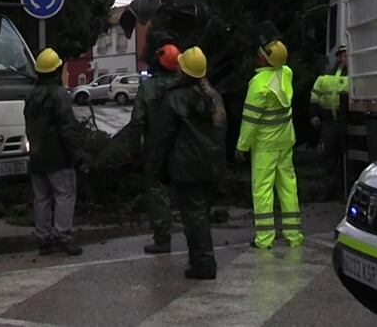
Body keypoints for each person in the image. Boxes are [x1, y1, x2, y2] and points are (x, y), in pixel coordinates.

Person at [148, 47, 226, 280]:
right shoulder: (213, 96)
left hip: (186, 168)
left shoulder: (175, 98)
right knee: (202, 214)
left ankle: (203, 264)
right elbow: (221, 132)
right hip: (211, 166)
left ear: (183, 69)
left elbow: (162, 137)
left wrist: (157, 167)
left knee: (194, 216)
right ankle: (201, 259)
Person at [236, 33, 303, 249]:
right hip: (285, 142)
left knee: (263, 190)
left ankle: (264, 239)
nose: (259, 56)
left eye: (262, 54)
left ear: (266, 59)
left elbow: (250, 121)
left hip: (265, 147)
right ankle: (294, 235)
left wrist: (241, 147)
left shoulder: (258, 84)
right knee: (288, 187)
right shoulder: (287, 73)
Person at [123, 38, 180, 254]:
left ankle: (163, 238)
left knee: (157, 193)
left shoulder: (148, 89)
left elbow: (137, 122)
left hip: (156, 148)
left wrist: (134, 151)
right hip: (182, 148)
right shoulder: (183, 85)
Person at [25, 48, 83, 256]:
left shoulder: (31, 95)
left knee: (41, 197)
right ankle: (63, 236)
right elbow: (67, 127)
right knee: (64, 194)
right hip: (58, 156)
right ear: (57, 70)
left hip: (37, 156)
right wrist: (75, 154)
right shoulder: (59, 95)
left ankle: (43, 239)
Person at [310, 45, 351, 199]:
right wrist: (314, 116)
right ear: (338, 57)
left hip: (346, 122)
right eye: (344, 55)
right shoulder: (324, 78)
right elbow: (314, 98)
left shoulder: (353, 76)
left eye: (348, 55)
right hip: (328, 123)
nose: (346, 58)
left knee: (346, 157)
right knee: (328, 157)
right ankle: (328, 190)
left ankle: (344, 191)